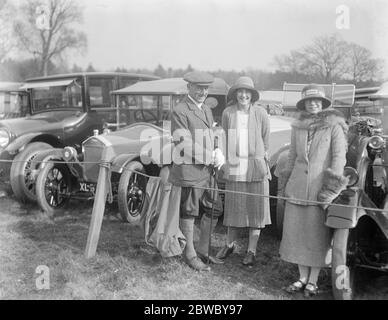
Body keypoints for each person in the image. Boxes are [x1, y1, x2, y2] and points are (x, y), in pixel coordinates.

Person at [279, 84, 348, 297]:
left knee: (316, 236)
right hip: (297, 188)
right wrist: (285, 183)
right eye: (309, 101)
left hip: (319, 190)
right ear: (304, 104)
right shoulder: (297, 126)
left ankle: (313, 281)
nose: (313, 104)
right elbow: (292, 157)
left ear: (324, 103)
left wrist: (331, 188)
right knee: (297, 234)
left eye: (317, 101)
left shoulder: (334, 126)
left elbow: (339, 158)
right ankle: (301, 278)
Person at [168, 71, 225, 271]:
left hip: (207, 171)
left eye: (206, 88)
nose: (202, 92)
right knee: (189, 212)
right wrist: (210, 156)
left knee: (214, 207)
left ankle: (203, 250)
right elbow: (183, 143)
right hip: (189, 171)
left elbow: (210, 135)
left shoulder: (207, 110)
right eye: (198, 87)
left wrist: (217, 148)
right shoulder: (180, 110)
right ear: (189, 88)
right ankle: (190, 254)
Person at [216, 76, 271, 267]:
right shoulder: (228, 113)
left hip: (256, 167)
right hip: (235, 165)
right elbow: (223, 138)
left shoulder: (261, 113)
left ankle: (251, 250)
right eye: (240, 91)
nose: (243, 95)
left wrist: (262, 162)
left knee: (256, 210)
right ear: (235, 94)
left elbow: (266, 141)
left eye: (247, 92)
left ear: (252, 95)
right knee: (234, 207)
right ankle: (229, 245)